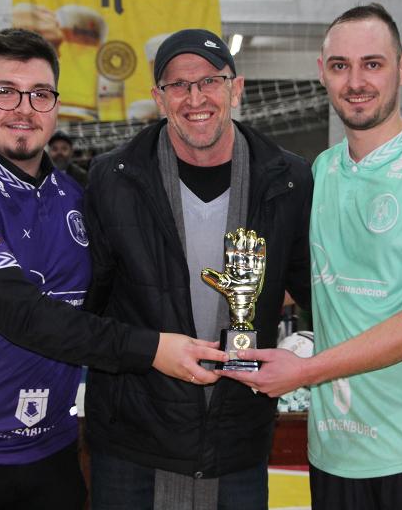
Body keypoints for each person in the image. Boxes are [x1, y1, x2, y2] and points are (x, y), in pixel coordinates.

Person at [0, 28, 227, 510]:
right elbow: (20, 314)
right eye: (5, 92)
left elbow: (117, 296)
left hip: (52, 453)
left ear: (55, 107)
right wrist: (153, 349)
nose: (23, 108)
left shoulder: (75, 196)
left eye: (40, 94)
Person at [223, 4, 402, 509]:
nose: (356, 81)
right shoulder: (316, 173)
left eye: (373, 63)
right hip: (338, 449)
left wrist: (305, 369)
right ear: (323, 73)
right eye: (341, 66)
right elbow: (283, 281)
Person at [83, 28, 313, 509]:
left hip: (237, 431)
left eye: (210, 81)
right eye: (178, 86)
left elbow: (316, 290)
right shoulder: (112, 178)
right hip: (133, 434)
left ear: (236, 87)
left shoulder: (288, 179)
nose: (195, 98)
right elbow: (90, 305)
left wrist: (314, 350)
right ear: (158, 98)